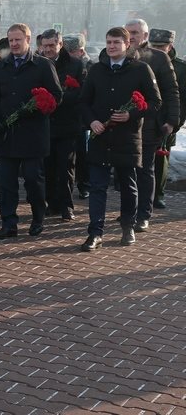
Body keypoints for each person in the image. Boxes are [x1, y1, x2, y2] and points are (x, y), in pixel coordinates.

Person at [79, 27, 161, 251]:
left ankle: (128, 227)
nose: (112, 46)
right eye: (109, 42)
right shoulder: (96, 69)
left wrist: (131, 114)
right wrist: (92, 122)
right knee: (97, 187)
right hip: (100, 137)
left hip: (127, 137)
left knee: (127, 185)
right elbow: (84, 101)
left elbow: (155, 102)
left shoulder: (141, 70)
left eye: (116, 42)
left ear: (127, 44)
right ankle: (95, 233)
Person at [0, 23, 62, 239]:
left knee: (32, 180)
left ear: (28, 40)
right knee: (7, 183)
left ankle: (38, 218)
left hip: (33, 135)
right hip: (6, 134)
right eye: (10, 40)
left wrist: (38, 108)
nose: (14, 44)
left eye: (18, 40)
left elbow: (56, 96)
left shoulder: (43, 66)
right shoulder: (0, 67)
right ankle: (9, 224)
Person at [124, 19, 180, 233]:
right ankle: (129, 210)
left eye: (136, 32)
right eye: (128, 32)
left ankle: (143, 214)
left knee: (145, 170)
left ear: (145, 36)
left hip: (149, 124)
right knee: (125, 171)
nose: (131, 36)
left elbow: (171, 92)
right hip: (124, 124)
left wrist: (171, 121)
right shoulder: (117, 55)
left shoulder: (159, 58)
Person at [39, 29, 85, 221]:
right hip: (45, 124)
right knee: (47, 167)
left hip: (67, 124)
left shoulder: (75, 65)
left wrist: (57, 99)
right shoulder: (38, 64)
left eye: (52, 45)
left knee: (65, 167)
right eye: (45, 45)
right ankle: (51, 203)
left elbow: (83, 92)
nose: (48, 49)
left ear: (60, 45)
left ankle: (67, 205)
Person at [149, 28, 186, 209]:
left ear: (169, 46)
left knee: (161, 159)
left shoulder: (181, 68)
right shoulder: (143, 60)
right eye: (153, 45)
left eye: (161, 46)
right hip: (147, 118)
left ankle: (158, 195)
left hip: (168, 120)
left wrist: (176, 121)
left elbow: (183, 98)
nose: (156, 49)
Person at [63, 33, 92, 200]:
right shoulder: (65, 65)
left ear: (80, 51)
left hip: (82, 118)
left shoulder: (89, 66)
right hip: (66, 117)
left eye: (71, 51)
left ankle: (84, 185)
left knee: (82, 153)